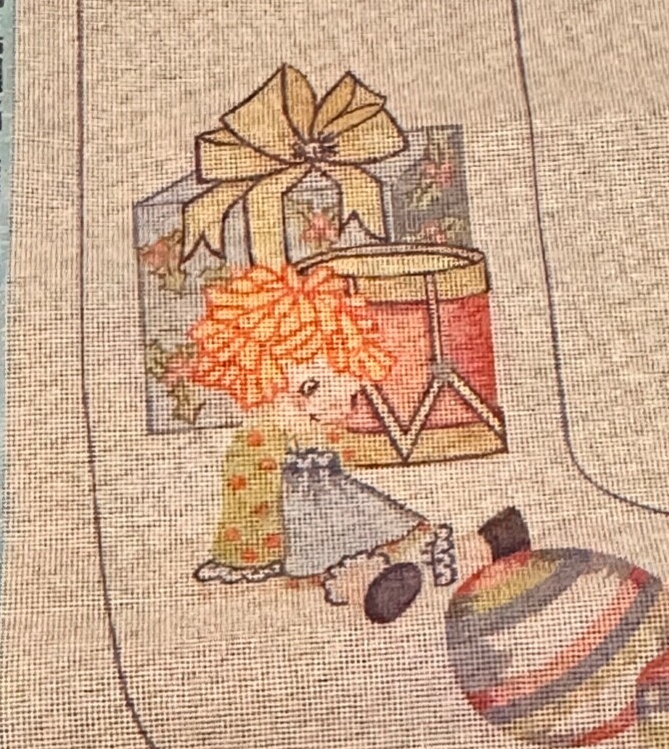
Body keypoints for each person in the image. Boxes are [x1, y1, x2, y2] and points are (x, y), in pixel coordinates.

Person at [187, 260, 527, 622]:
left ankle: (481, 546)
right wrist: (268, 549)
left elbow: (336, 460)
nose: (336, 399)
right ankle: (372, 589)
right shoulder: (260, 439)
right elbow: (253, 504)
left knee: (399, 536)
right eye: (308, 388)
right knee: (345, 563)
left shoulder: (308, 430)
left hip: (340, 505)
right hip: (291, 531)